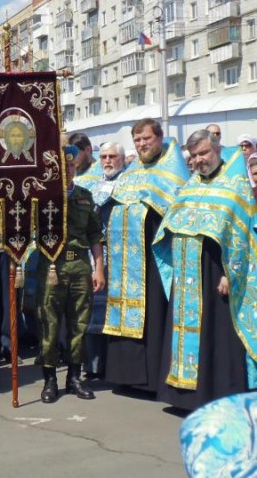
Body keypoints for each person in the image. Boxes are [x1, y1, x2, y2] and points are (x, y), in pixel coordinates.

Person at [153, 129, 257, 410]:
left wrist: (229, 272)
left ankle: (217, 394)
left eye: (204, 153)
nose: (200, 160)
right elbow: (171, 223)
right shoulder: (191, 185)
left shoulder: (236, 186)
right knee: (185, 331)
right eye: (195, 155)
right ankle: (185, 397)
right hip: (187, 272)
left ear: (218, 150)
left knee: (216, 334)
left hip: (215, 272)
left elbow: (244, 236)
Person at [103, 118, 190, 395]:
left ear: (160, 138)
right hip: (124, 262)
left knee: (154, 313)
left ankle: (152, 378)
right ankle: (125, 375)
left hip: (155, 260)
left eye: (147, 139)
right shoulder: (129, 173)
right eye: (138, 140)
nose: (142, 144)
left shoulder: (173, 174)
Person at [37, 146, 105, 403]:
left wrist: (98, 268)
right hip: (52, 267)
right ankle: (50, 379)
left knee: (79, 325)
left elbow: (95, 236)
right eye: (62, 168)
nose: (67, 171)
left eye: (71, 166)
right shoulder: (42, 198)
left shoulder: (85, 197)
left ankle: (75, 378)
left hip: (79, 268)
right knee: (50, 325)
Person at [79, 141, 126, 378]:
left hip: (122, 256)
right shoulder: (92, 186)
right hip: (95, 253)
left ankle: (114, 365)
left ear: (122, 159)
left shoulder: (129, 185)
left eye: (113, 156)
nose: (108, 161)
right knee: (92, 309)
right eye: (104, 156)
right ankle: (93, 365)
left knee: (115, 309)